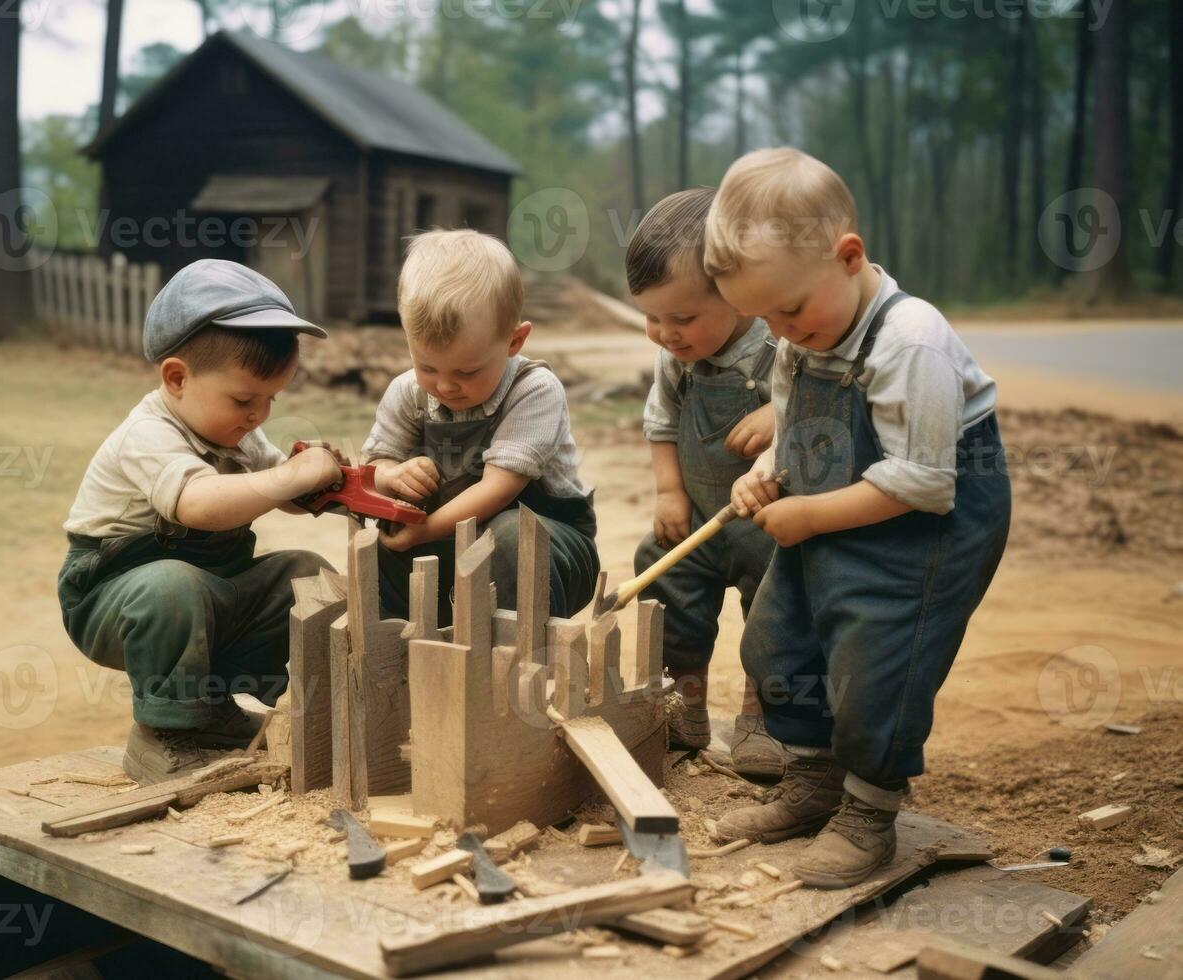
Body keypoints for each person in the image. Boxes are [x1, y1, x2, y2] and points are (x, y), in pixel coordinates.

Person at [706, 148, 1011, 887]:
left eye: (789, 309)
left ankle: (870, 812)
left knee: (878, 664)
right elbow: (790, 418)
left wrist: (808, 516)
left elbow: (925, 481)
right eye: (761, 319)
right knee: (779, 639)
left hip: (925, 522)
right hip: (836, 501)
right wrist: (763, 474)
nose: (779, 332)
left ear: (848, 257)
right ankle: (812, 781)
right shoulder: (801, 334)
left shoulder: (910, 343)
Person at [58, 259, 343, 785]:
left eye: (269, 400)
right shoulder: (147, 435)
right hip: (111, 602)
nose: (258, 415)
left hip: (211, 593)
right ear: (177, 377)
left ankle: (256, 711)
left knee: (307, 575)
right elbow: (200, 505)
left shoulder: (237, 434)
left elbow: (287, 491)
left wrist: (342, 484)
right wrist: (294, 475)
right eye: (243, 399)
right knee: (173, 586)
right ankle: (162, 734)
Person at [626, 188, 789, 776]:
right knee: (664, 585)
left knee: (776, 612)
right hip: (698, 513)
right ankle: (685, 704)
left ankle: (761, 716)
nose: (665, 334)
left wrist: (780, 414)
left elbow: (824, 411)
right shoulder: (677, 357)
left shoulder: (782, 347)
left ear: (740, 293)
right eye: (651, 318)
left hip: (769, 518)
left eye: (682, 318)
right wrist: (670, 492)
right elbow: (661, 422)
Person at [362, 229, 599, 626]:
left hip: (549, 549)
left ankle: (517, 672)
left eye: (467, 371)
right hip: (446, 544)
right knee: (380, 542)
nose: (445, 385)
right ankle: (399, 664)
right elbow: (376, 463)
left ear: (514, 340)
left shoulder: (533, 390)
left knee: (508, 536)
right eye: (427, 367)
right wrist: (392, 474)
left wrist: (425, 531)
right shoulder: (408, 392)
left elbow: (498, 487)